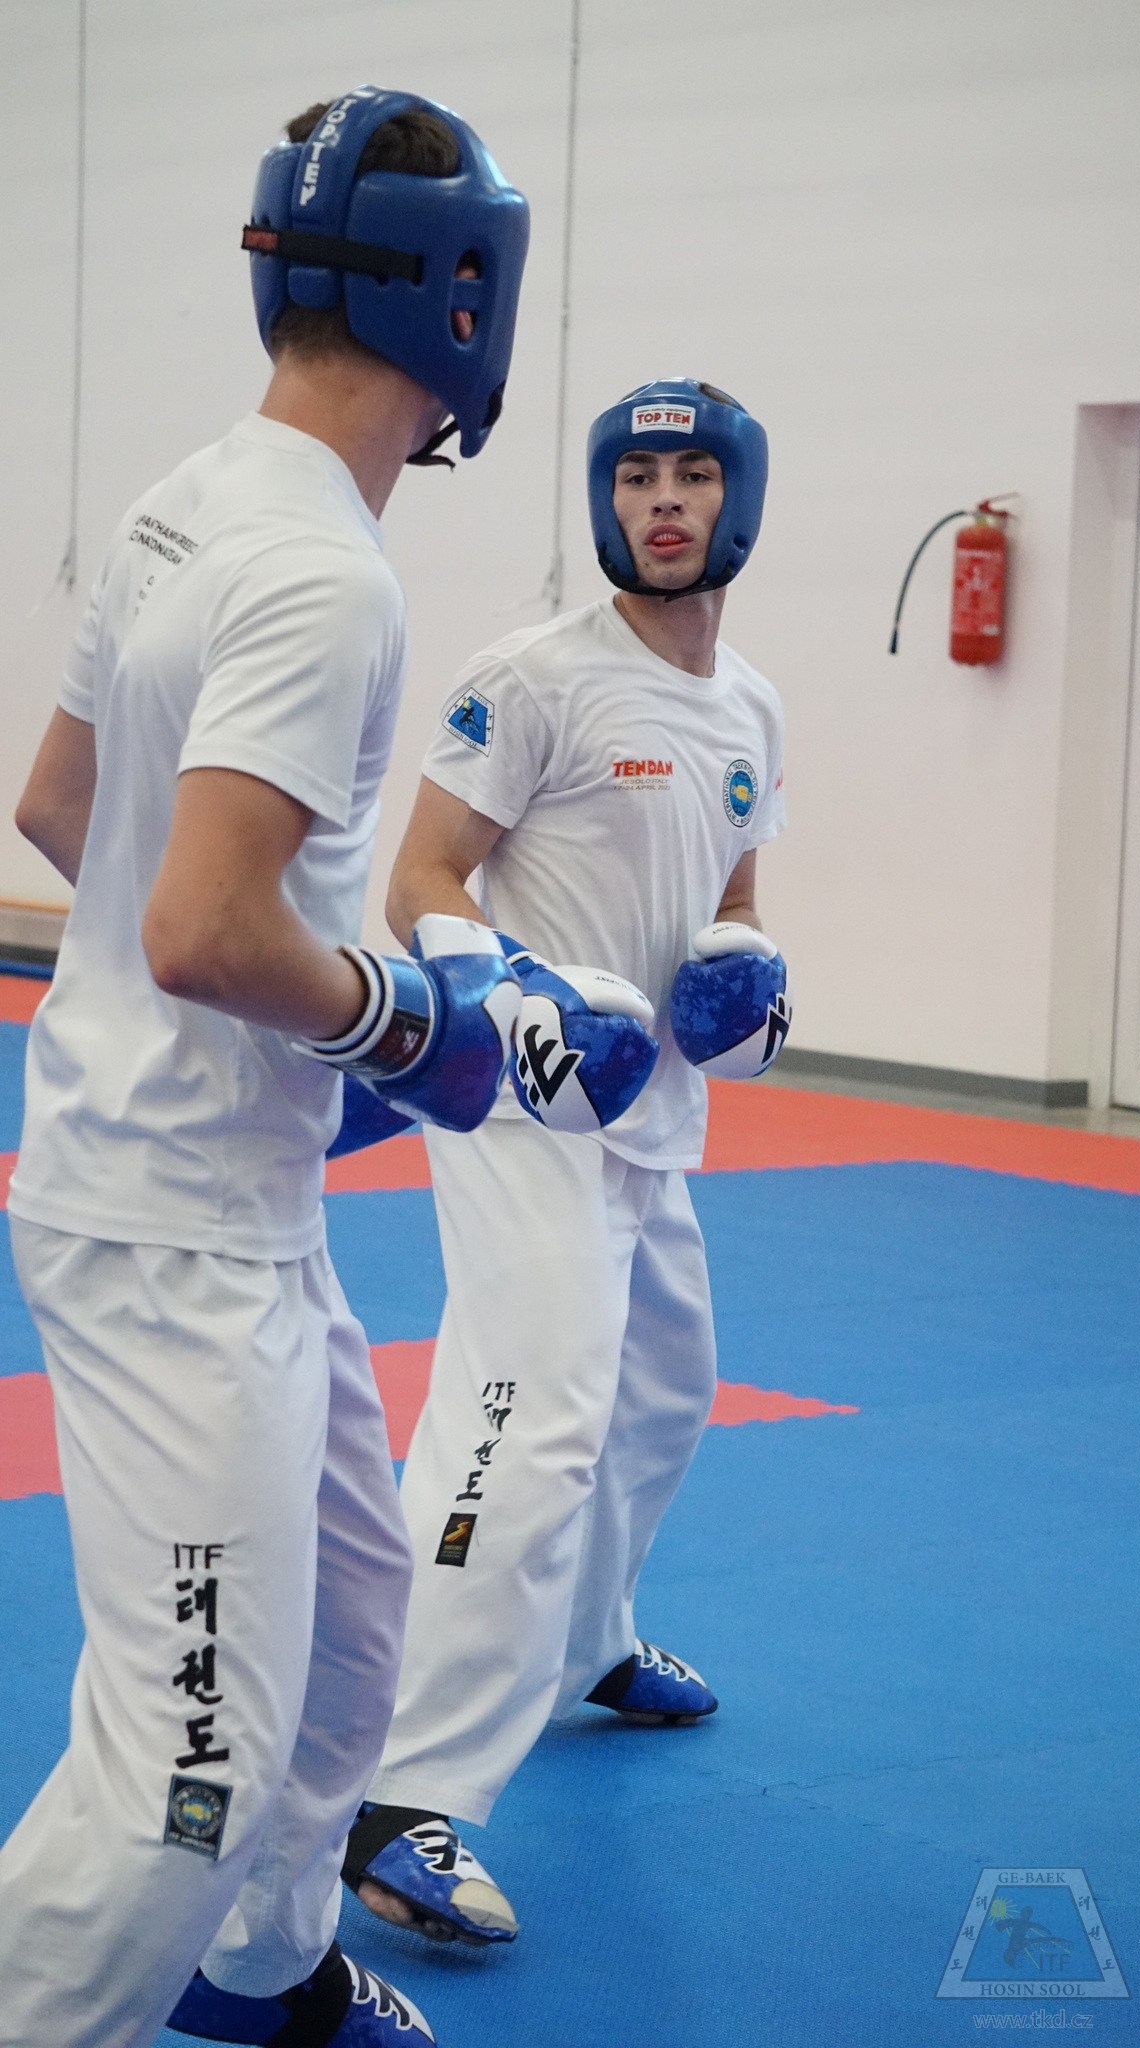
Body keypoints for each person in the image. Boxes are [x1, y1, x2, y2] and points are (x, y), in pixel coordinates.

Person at [0, 86, 528, 2048]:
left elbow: (65, 812)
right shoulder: (324, 570)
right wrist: (397, 1020)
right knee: (187, 1769)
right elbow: (205, 930)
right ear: (464, 297)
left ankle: (265, 1970)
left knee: (360, 1624)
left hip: (222, 1190)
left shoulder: (186, 497)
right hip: (175, 1234)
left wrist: (312, 1030)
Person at [341, 378, 792, 1947]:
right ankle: (396, 1791)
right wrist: (516, 990)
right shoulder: (531, 676)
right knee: (522, 1426)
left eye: (690, 475)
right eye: (635, 476)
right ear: (605, 501)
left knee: (666, 1393)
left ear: (736, 500)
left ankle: (588, 1638)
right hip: (529, 1112)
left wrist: (750, 979)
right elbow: (419, 880)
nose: (660, 501)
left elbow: (732, 898)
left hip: (651, 1121)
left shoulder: (750, 708)